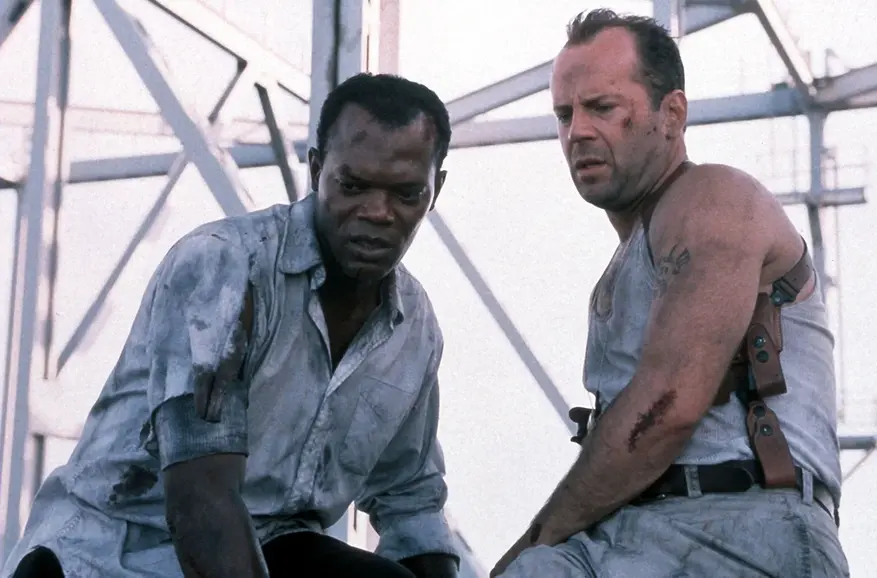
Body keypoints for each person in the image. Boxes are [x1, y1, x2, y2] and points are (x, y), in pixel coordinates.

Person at [2, 72, 460, 578]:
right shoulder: (224, 267)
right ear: (315, 170)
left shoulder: (414, 326)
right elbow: (201, 502)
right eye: (352, 186)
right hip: (116, 554)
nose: (377, 212)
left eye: (406, 194)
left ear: (435, 189)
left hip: (269, 544)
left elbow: (412, 503)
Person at [491, 9, 849, 578]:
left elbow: (667, 407)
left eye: (602, 107)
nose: (577, 131)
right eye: (564, 114)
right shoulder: (629, 260)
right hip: (634, 537)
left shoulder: (716, 198)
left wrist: (532, 544)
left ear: (673, 114)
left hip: (737, 533)